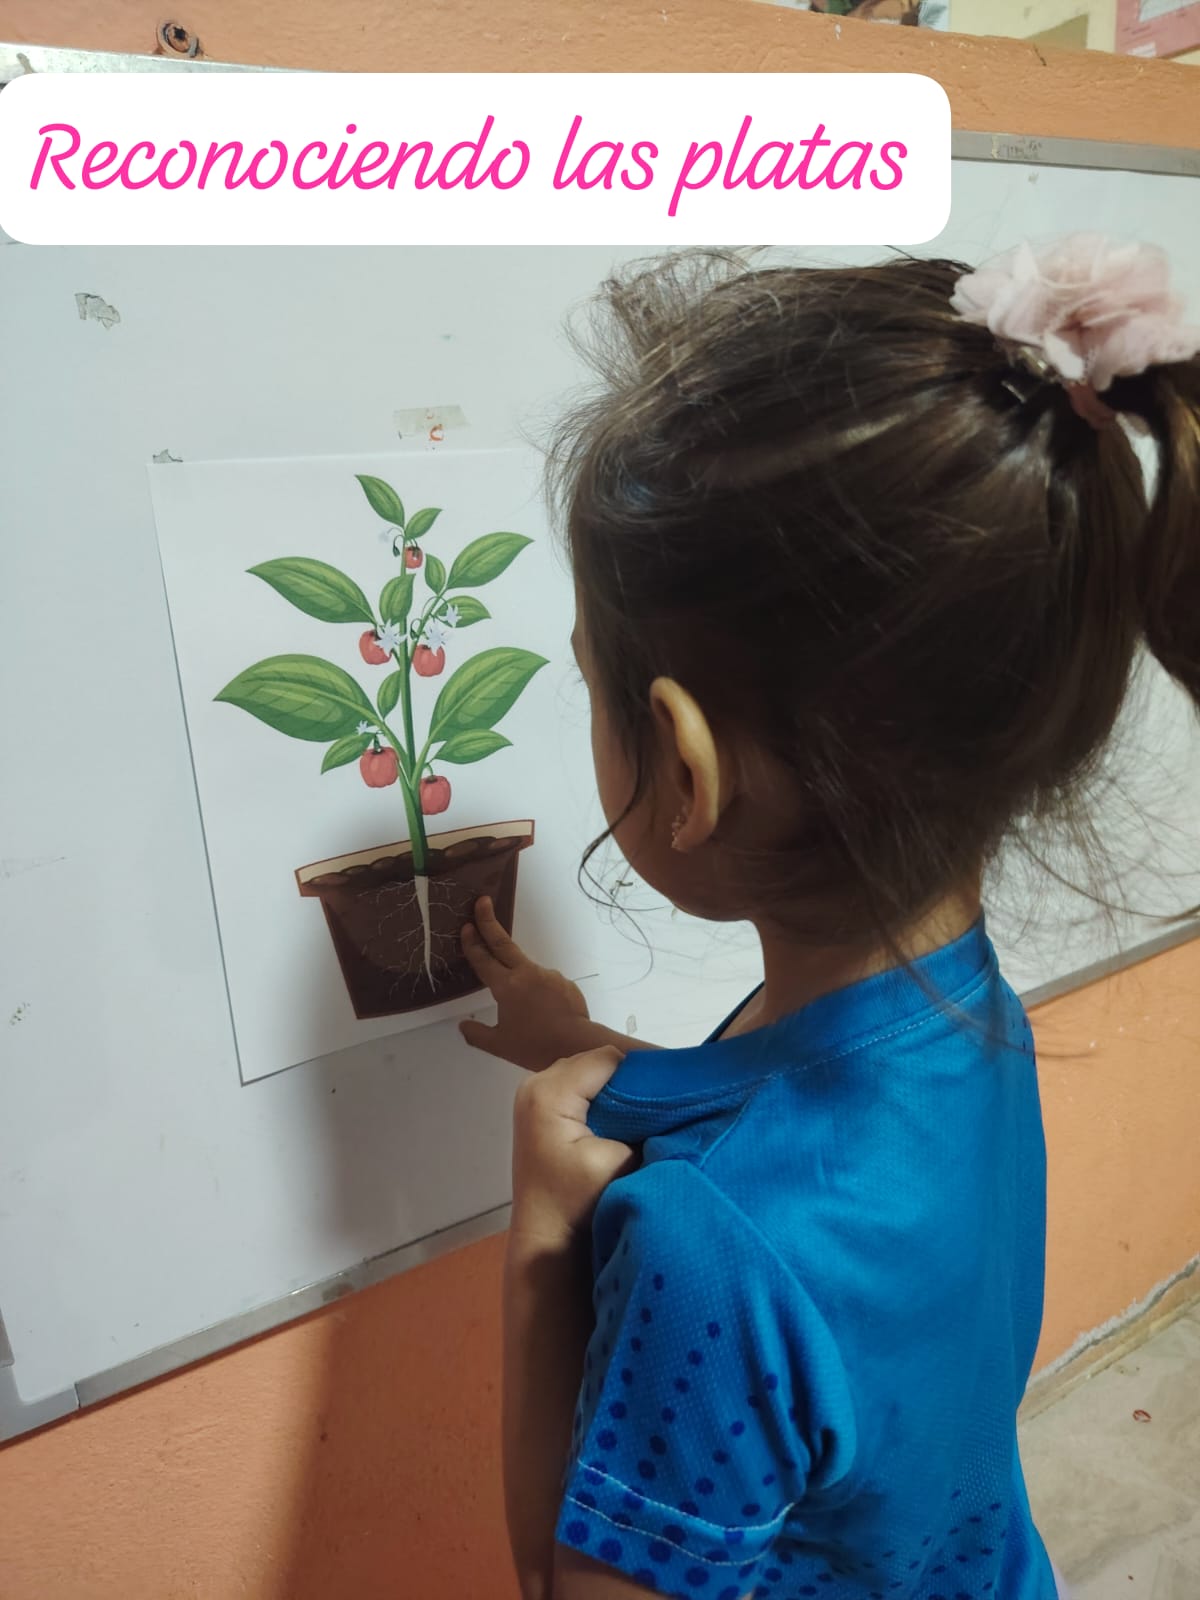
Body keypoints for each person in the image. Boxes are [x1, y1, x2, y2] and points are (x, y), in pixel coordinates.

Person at [458, 237, 1200, 1600]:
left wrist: (544, 1248)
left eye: (588, 683)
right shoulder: (966, 1012)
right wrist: (579, 1045)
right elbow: (794, 1140)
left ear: (685, 771)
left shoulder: (698, 1260)